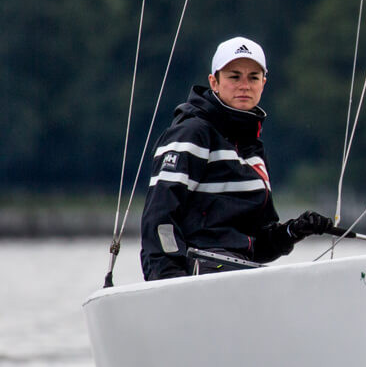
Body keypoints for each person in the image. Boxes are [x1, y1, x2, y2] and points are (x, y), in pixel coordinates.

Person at [140, 36, 332, 280]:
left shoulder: (253, 148)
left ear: (263, 83)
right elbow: (160, 217)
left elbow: (257, 245)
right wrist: (168, 279)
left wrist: (293, 231)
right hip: (196, 278)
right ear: (214, 82)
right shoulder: (192, 133)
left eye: (253, 77)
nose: (244, 85)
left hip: (240, 277)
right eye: (234, 76)